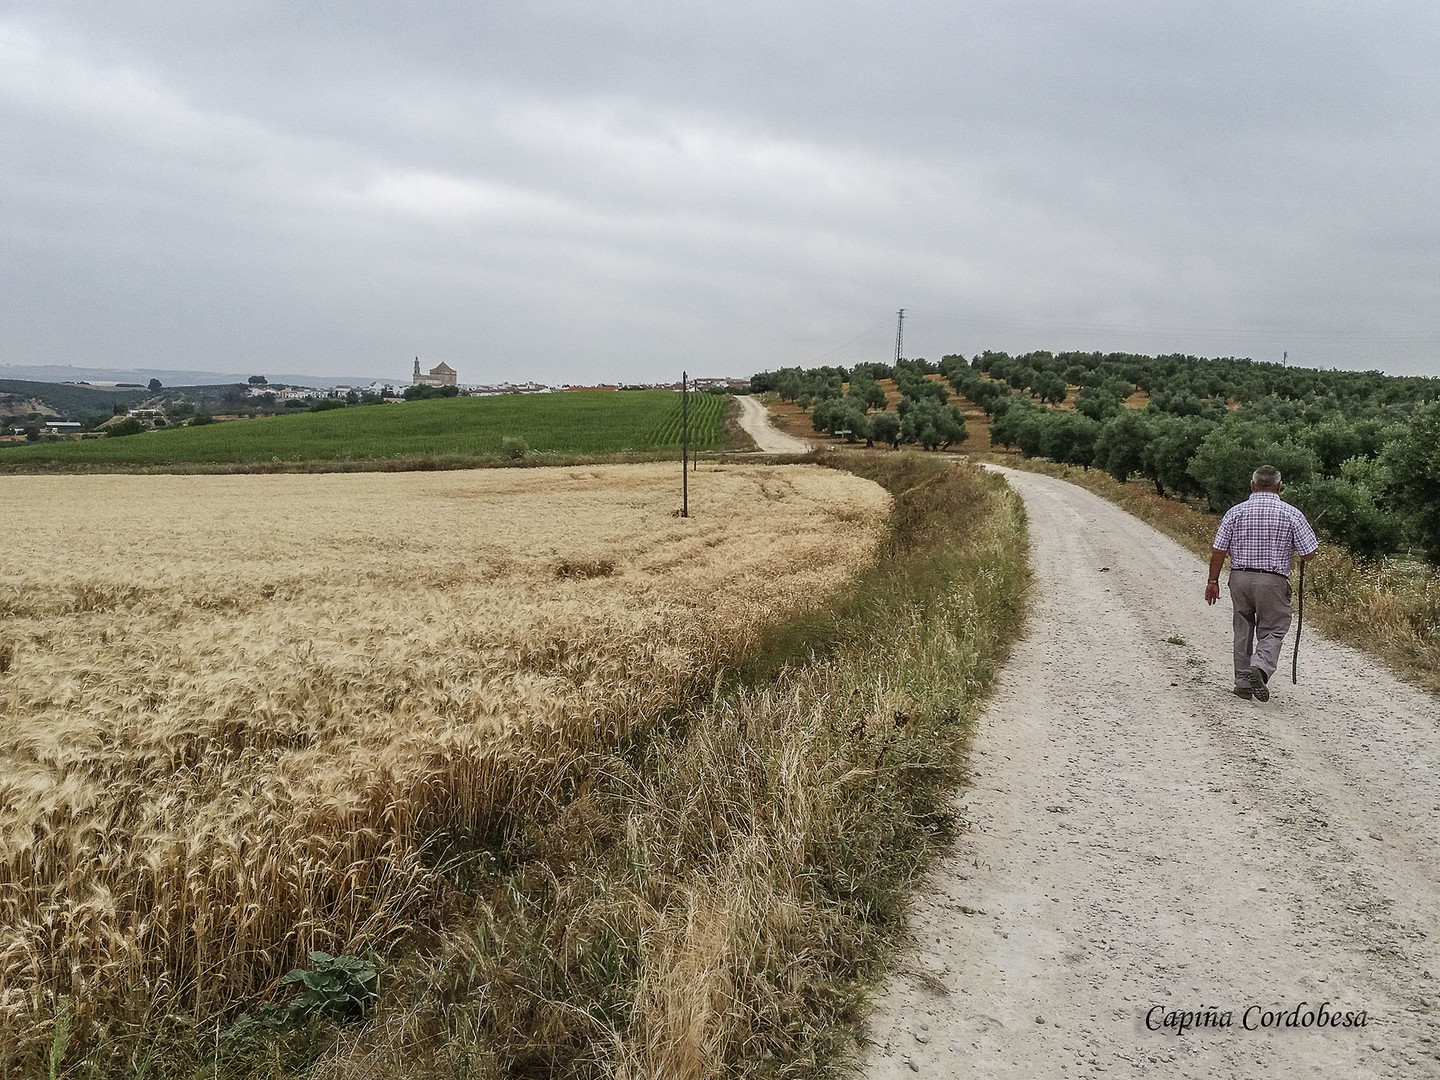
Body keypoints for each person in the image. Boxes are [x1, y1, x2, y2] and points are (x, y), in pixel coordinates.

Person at [1204, 465, 1319, 701]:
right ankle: (1260, 666)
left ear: (1252, 485)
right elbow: (1309, 554)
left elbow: (1218, 550)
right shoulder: (1292, 514)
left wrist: (1212, 581)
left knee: (1243, 628)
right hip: (1273, 580)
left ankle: (1243, 684)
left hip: (1240, 577)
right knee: (1274, 628)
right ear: (1279, 486)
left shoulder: (1235, 512)